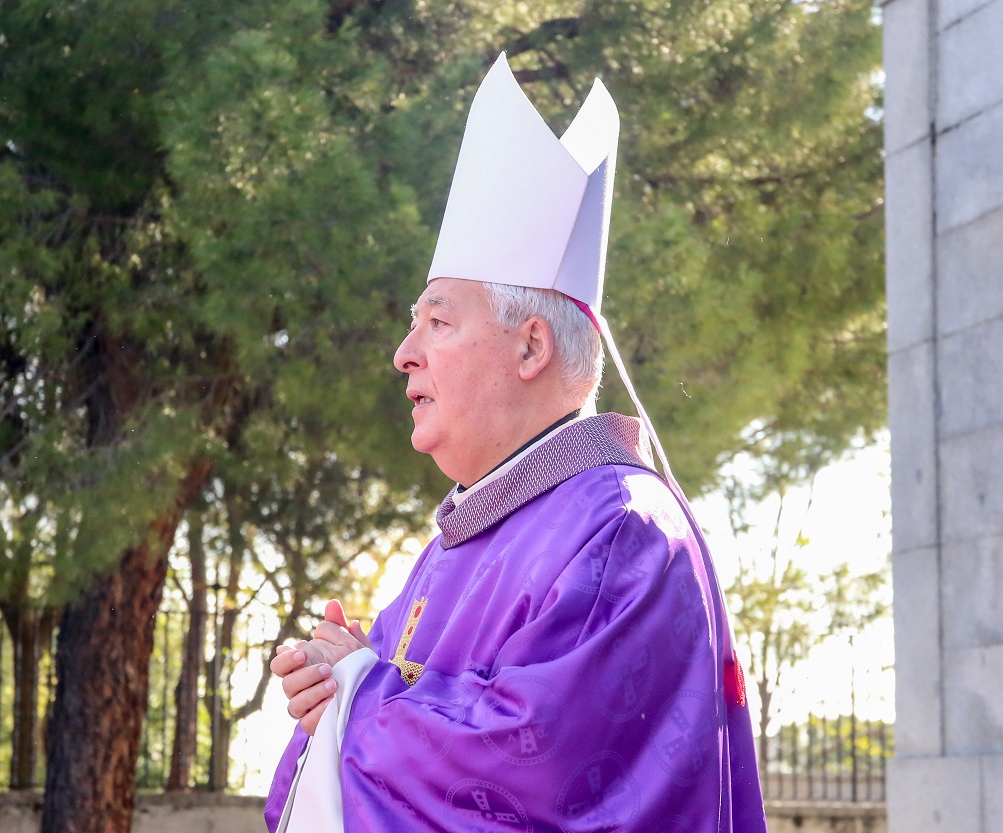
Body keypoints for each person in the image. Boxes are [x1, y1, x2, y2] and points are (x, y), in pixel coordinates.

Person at [266, 53, 767, 832]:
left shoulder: (618, 530)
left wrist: (358, 691)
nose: (404, 352)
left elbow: (543, 773)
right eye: (412, 323)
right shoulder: (461, 538)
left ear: (531, 347)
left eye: (437, 321)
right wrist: (326, 697)